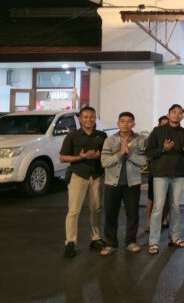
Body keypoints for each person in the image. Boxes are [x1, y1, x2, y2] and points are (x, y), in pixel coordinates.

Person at [60, 106, 108, 258]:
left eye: (92, 117)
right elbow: (63, 158)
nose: (89, 119)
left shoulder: (102, 136)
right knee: (74, 210)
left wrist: (98, 156)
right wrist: (81, 157)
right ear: (80, 119)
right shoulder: (72, 136)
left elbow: (107, 155)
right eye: (85, 117)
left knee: (96, 209)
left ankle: (96, 238)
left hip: (96, 176)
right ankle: (70, 242)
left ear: (95, 119)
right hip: (78, 175)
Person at [145, 104, 184, 255]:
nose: (177, 115)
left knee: (175, 207)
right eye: (174, 112)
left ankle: (175, 237)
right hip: (161, 174)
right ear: (168, 114)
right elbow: (149, 152)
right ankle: (153, 242)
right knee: (158, 207)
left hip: (178, 174)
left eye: (180, 113)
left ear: (182, 116)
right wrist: (163, 149)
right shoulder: (158, 131)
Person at [100, 111, 148, 255]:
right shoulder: (110, 140)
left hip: (132, 183)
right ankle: (110, 244)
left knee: (132, 214)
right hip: (112, 183)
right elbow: (104, 162)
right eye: (122, 121)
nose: (125, 124)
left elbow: (144, 161)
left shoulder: (140, 140)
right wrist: (120, 153)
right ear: (118, 123)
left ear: (133, 124)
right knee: (111, 214)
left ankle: (131, 242)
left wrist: (130, 154)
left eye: (129, 121)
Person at [144, 115, 169, 234]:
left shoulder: (172, 135)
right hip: (155, 172)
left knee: (167, 198)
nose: (165, 126)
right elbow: (149, 153)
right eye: (162, 124)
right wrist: (163, 149)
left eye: (167, 124)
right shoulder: (154, 135)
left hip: (169, 172)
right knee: (152, 198)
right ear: (158, 125)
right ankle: (148, 222)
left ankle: (164, 218)